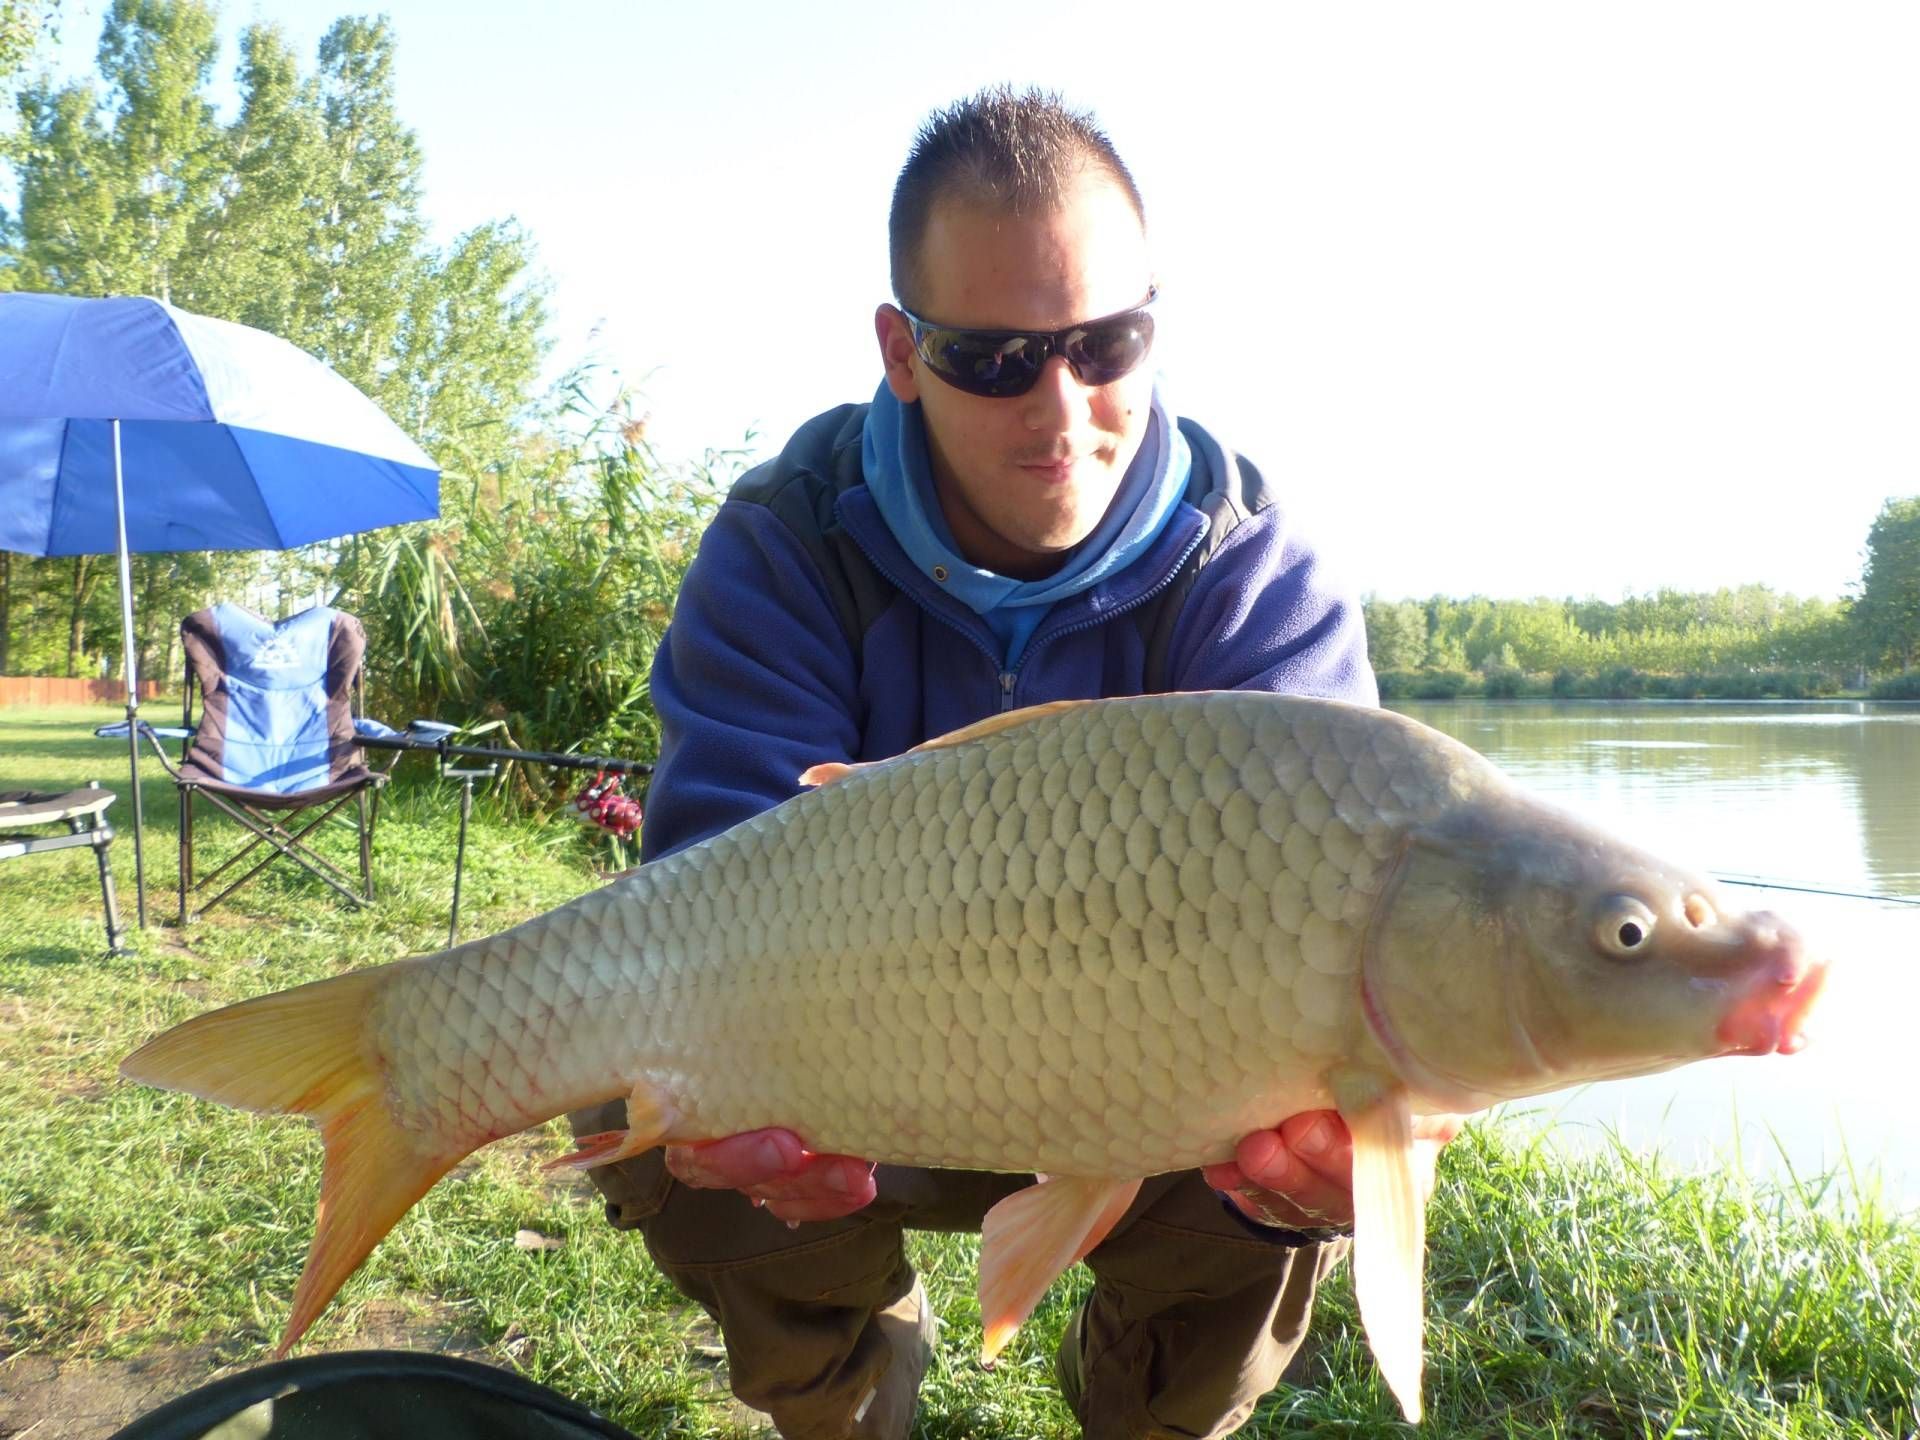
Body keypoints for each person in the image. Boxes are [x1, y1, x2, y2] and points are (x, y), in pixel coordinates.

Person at [572, 87, 1454, 1440]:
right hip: (854, 1083)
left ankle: (1148, 1405)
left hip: (1152, 1101)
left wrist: (1354, 1140)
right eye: (996, 359)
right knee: (641, 1078)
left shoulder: (1251, 569)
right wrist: (736, 1106)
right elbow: (707, 887)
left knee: (1281, 1172)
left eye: (1107, 344)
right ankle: (850, 1392)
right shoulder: (785, 543)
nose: (1062, 406)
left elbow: (1348, 935)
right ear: (902, 351)